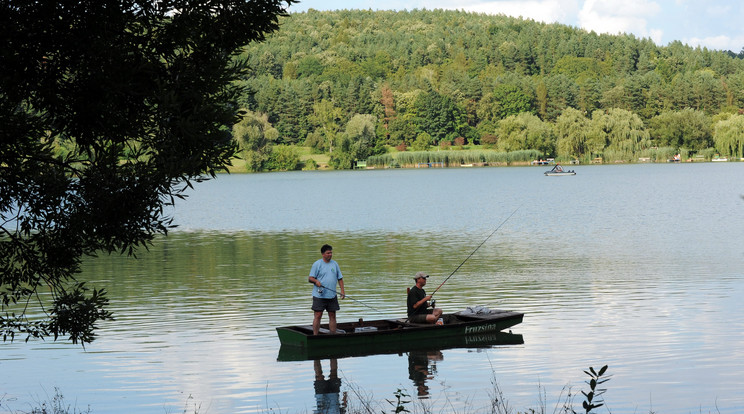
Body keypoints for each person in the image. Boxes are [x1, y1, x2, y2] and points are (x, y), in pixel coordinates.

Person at [308, 244, 345, 335]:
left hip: (332, 295)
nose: (330, 254)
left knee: (332, 315)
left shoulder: (335, 264)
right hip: (319, 295)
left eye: (331, 253)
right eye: (328, 253)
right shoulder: (317, 264)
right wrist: (316, 281)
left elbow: (340, 278)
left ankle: (333, 334)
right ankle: (315, 335)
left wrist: (342, 291)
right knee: (318, 315)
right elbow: (310, 278)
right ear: (323, 254)